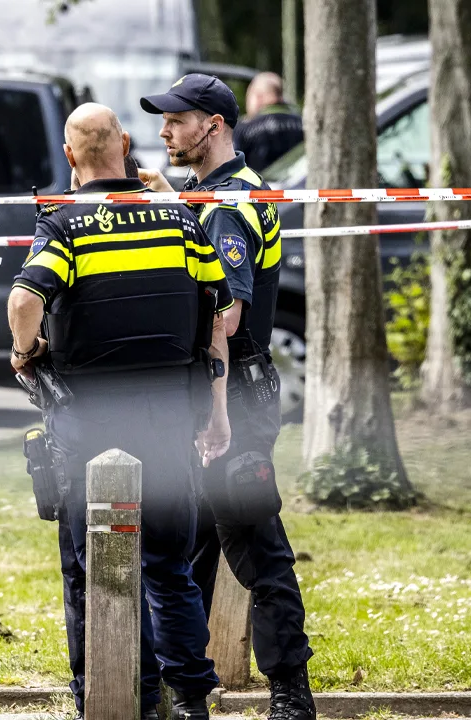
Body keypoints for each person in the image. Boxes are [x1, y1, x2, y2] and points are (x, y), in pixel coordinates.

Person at [11, 102, 233, 720]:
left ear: (70, 155)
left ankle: (112, 698)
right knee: (168, 565)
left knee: (94, 566)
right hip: (169, 415)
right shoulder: (179, 219)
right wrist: (217, 408)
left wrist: (24, 352)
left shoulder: (64, 224)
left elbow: (26, 297)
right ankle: (189, 698)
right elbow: (215, 313)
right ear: (127, 144)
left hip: (90, 422)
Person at [139, 74, 317, 720]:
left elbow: (228, 315)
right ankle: (185, 693)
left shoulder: (231, 206)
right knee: (188, 552)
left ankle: (291, 693)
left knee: (253, 542)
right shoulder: (203, 197)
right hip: (206, 396)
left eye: (175, 120)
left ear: (212, 125)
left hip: (234, 398)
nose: (164, 132)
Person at [231, 72, 303, 172]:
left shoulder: (244, 128)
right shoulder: (302, 123)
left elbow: (231, 167)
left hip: (258, 186)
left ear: (258, 97)